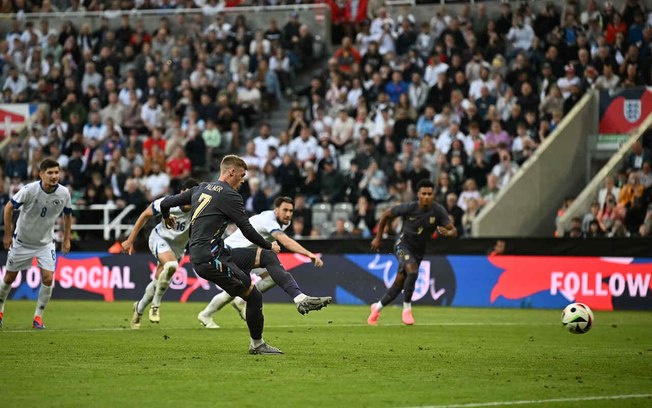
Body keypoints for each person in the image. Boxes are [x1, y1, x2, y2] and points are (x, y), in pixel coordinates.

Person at [158, 155, 331, 354]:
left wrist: (166, 217)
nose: (242, 181)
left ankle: (300, 298)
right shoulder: (230, 196)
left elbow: (166, 202)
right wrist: (269, 244)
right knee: (254, 295)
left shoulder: (200, 188)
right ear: (231, 172)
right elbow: (247, 230)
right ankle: (257, 345)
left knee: (266, 257)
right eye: (241, 176)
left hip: (217, 252)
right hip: (209, 258)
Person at [197, 196, 324, 328]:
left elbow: (263, 235)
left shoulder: (284, 222)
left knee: (273, 277)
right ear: (276, 210)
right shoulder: (269, 220)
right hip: (230, 252)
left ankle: (239, 301)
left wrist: (269, 243)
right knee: (234, 288)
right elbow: (285, 241)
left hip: (249, 254)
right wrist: (309, 254)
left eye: (291, 211)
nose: (288, 214)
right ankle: (207, 314)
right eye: (284, 210)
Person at [367, 179, 456, 326]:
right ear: (418, 194)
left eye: (429, 194)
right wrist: (378, 238)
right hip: (402, 245)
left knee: (399, 284)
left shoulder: (438, 210)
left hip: (418, 251)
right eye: (424, 193)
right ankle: (407, 309)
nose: (427, 196)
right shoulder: (409, 207)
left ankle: (376, 309)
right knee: (413, 271)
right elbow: (386, 215)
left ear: (433, 195)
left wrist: (448, 232)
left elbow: (454, 230)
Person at [0, 159, 73, 329]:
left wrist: (67, 238)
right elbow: (8, 208)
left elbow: (68, 215)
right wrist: (7, 234)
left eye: (56, 172)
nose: (54, 176)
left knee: (48, 278)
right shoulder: (29, 190)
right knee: (9, 277)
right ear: (41, 174)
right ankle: (1, 308)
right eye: (50, 173)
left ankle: (38, 317)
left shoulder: (64, 193)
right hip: (21, 242)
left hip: (45, 243)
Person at [121, 178, 199, 329]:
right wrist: (130, 240)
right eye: (186, 195)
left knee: (158, 282)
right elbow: (145, 215)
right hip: (159, 238)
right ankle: (155, 306)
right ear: (181, 193)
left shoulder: (198, 210)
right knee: (171, 265)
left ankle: (139, 308)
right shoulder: (169, 203)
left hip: (178, 248)